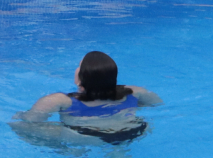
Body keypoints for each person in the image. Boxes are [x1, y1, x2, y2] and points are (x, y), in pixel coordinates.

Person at [13, 51, 161, 146]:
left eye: (79, 66)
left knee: (17, 125)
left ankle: (68, 151)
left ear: (80, 79)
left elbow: (32, 120)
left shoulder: (58, 100)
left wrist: (21, 115)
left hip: (85, 137)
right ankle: (117, 152)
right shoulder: (135, 91)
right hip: (134, 131)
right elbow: (157, 104)